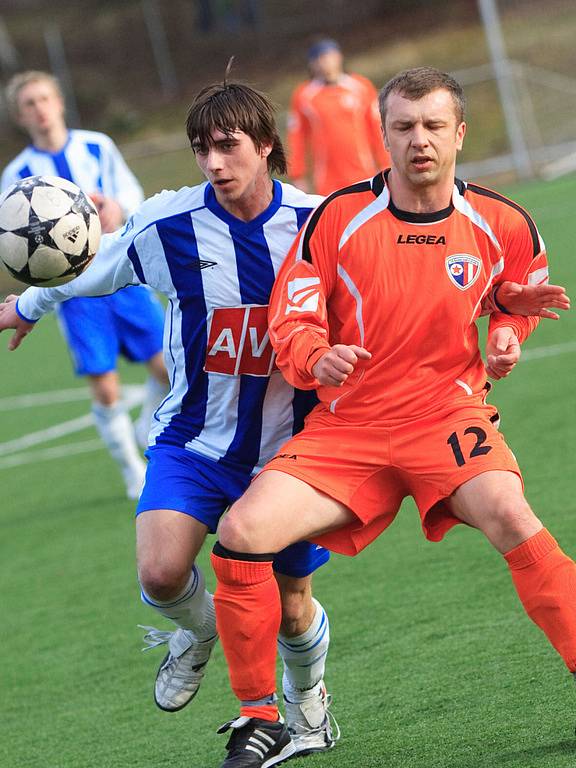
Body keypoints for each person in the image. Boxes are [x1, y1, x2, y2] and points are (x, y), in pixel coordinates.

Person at [202, 67, 573, 767]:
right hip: (351, 427)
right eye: (404, 127)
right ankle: (260, 718)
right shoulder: (338, 218)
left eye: (434, 126)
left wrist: (505, 337)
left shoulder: (503, 222)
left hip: (446, 413)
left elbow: (510, 300)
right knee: (242, 531)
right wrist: (318, 354)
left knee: (513, 516)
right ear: (384, 135)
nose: (420, 141)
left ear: (460, 133)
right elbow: (292, 318)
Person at [0, 81, 341, 763]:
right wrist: (29, 307)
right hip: (194, 441)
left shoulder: (319, 224)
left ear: (265, 145)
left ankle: (311, 702)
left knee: (292, 603)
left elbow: (384, 288)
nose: (214, 162)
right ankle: (204, 629)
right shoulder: (168, 225)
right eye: (201, 149)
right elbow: (95, 268)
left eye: (228, 146)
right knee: (160, 573)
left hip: (289, 455)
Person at [1, 70, 169, 499]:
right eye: (29, 105)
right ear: (21, 117)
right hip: (73, 293)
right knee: (105, 383)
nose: (39, 109)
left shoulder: (97, 145)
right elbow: (12, 236)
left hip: (123, 273)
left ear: (58, 102)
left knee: (167, 368)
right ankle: (133, 470)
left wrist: (117, 206)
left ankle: (146, 424)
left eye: (44, 99)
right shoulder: (18, 175)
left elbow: (130, 192)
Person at [287, 37, 390, 196]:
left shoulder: (361, 86)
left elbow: (377, 127)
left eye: (330, 57)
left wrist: (386, 162)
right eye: (321, 59)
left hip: (365, 171)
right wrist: (297, 174)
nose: (326, 63)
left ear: (339, 57)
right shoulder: (304, 95)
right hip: (327, 179)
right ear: (312, 64)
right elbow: (297, 137)